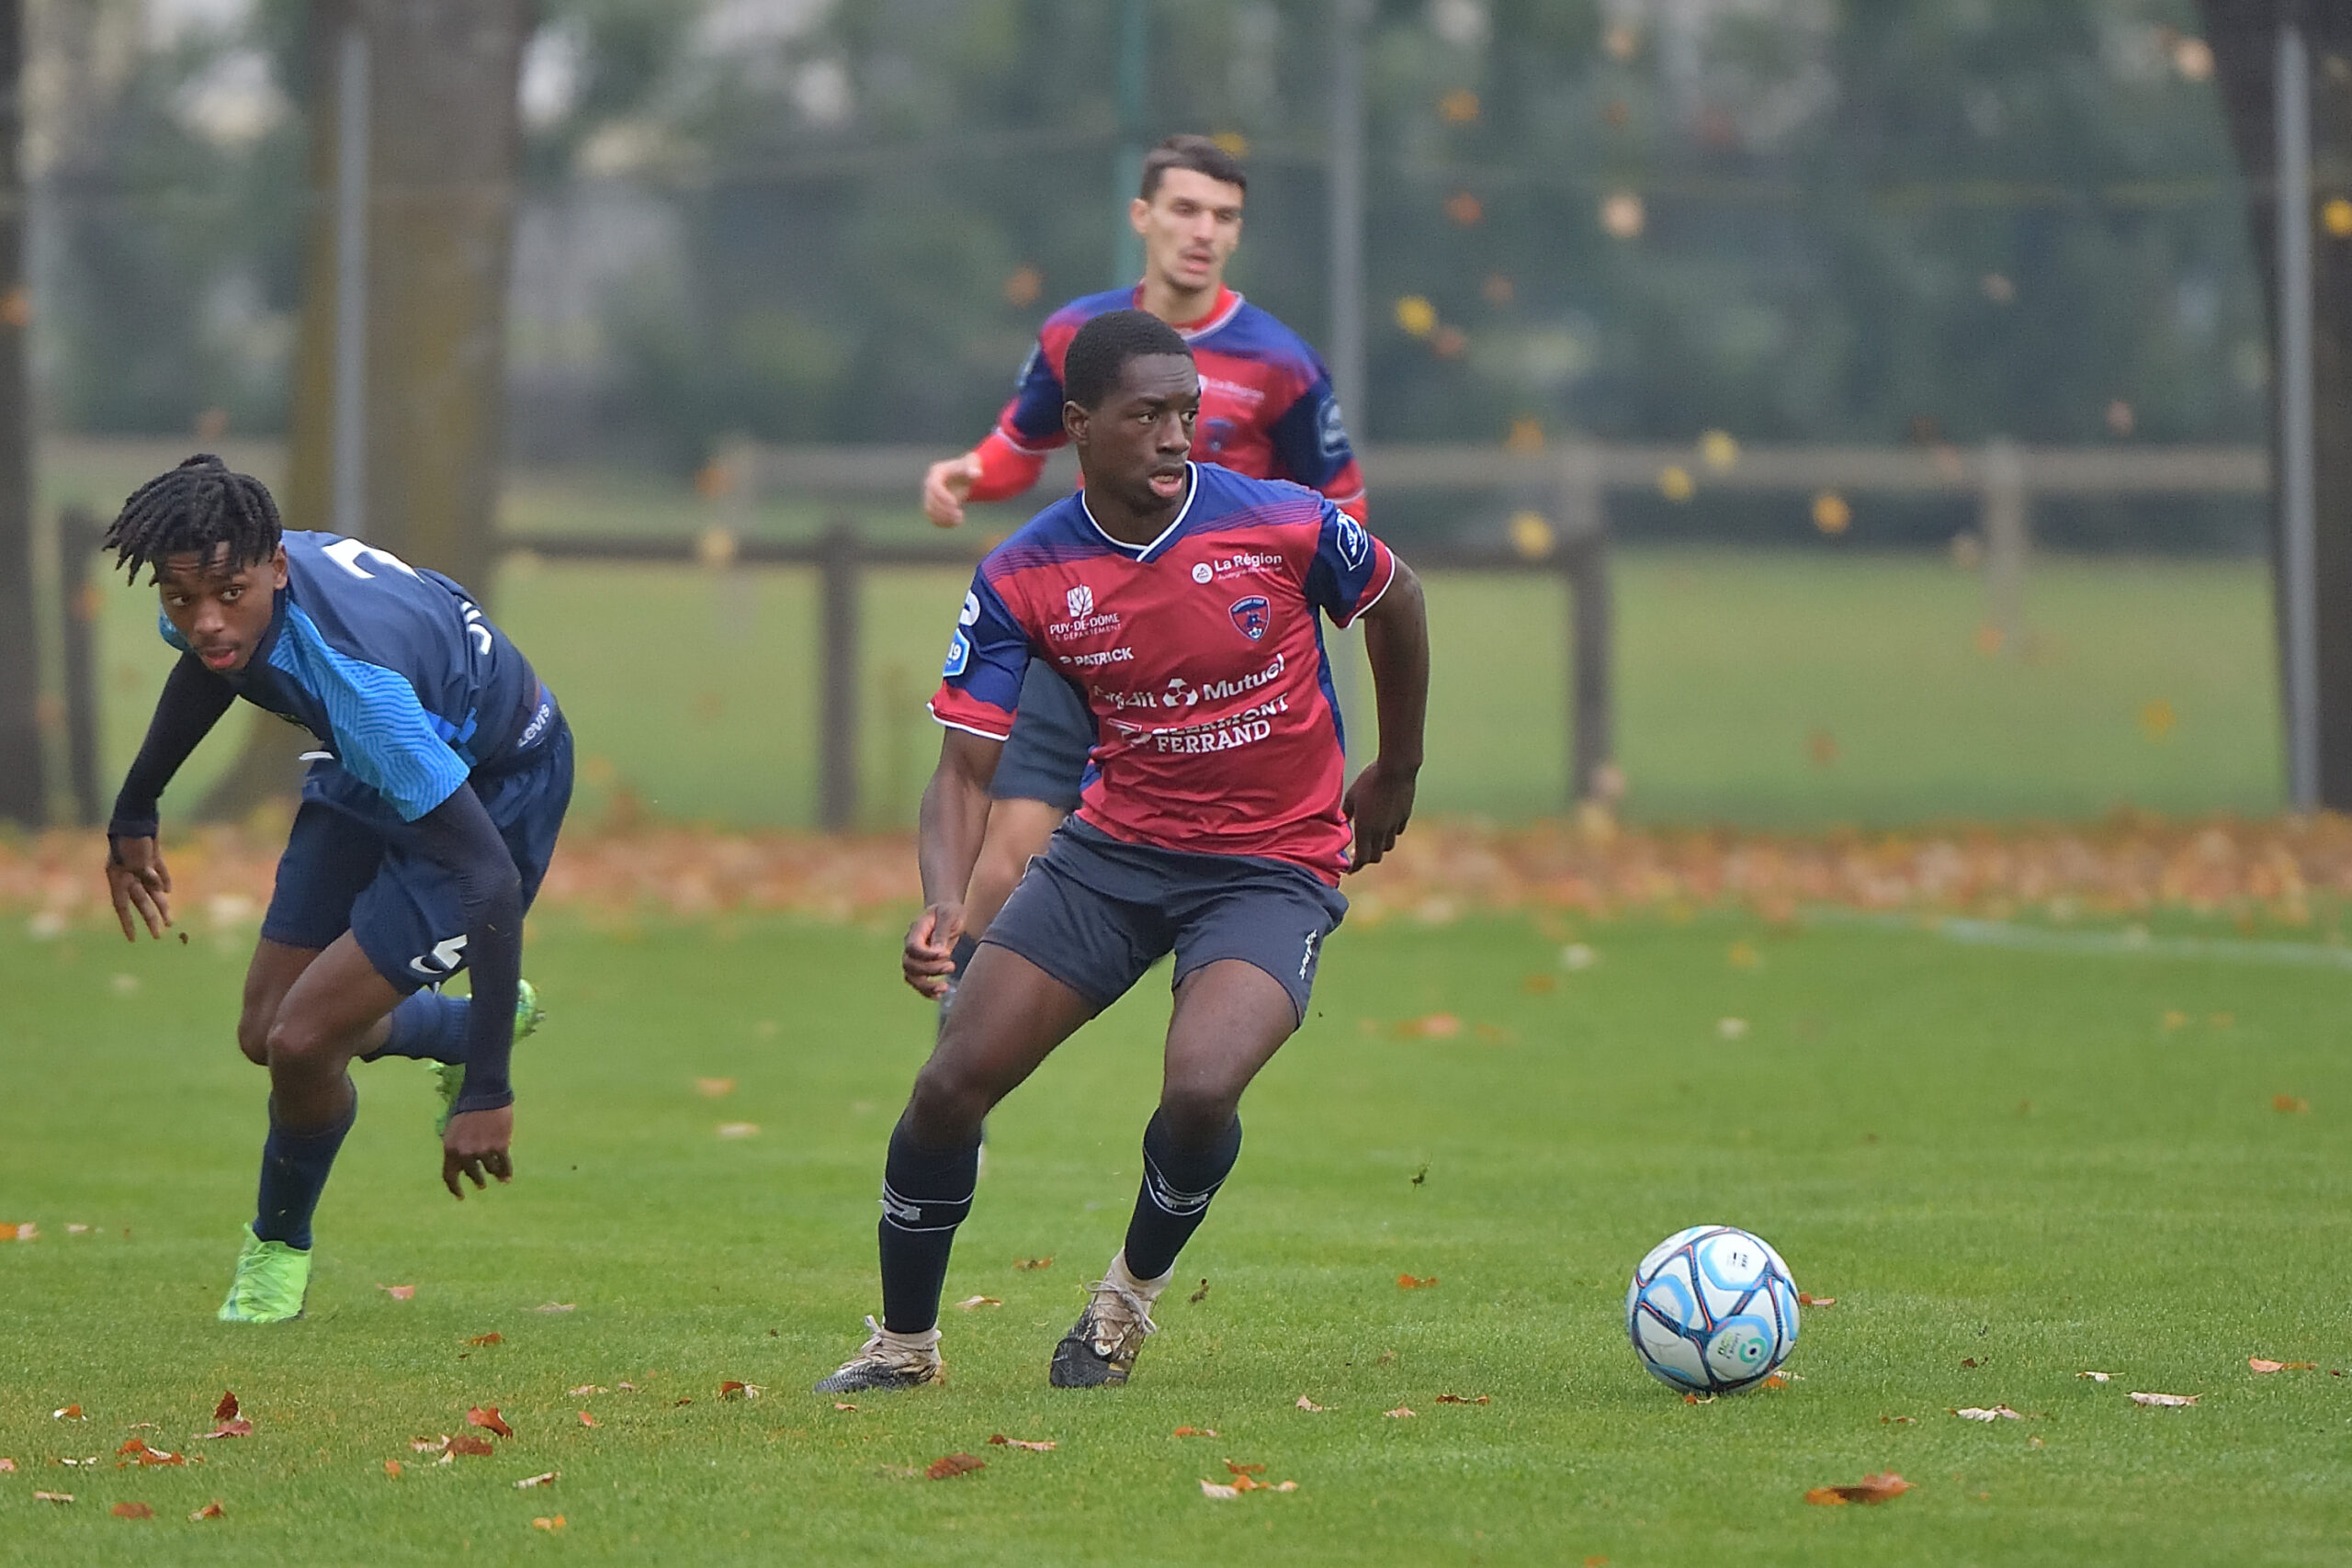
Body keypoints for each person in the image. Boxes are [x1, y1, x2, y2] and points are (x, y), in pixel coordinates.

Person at [815, 310, 1428, 1393]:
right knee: (950, 1082)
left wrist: (1396, 771)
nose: (1174, 436)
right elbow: (963, 769)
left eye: (1186, 414)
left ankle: (1123, 1303)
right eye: (1146, 415)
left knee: (1198, 1089)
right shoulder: (1023, 575)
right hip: (1113, 857)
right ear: (1079, 425)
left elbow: (1397, 598)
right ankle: (904, 1349)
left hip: (1269, 866)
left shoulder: (1282, 523)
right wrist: (942, 903)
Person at [99, 456, 572, 1323]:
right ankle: (459, 1025)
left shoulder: (357, 684)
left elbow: (491, 879)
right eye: (179, 600)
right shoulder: (219, 569)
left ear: (276, 568)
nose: (205, 621)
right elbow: (217, 666)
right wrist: (137, 806)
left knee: (303, 1040)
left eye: (226, 596)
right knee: (265, 1031)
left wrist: (488, 1092)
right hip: (378, 763)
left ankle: (278, 1249)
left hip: (493, 790)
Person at [920, 133, 1369, 965]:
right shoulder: (1074, 337)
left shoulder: (1281, 362)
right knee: (1007, 851)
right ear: (1143, 217)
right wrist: (968, 474)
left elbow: (1341, 512)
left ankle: (1211, 1061)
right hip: (1092, 625)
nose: (1204, 231)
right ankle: (959, 1073)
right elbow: (1022, 443)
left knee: (1217, 897)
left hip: (1222, 658)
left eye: (1225, 216)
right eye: (1186, 209)